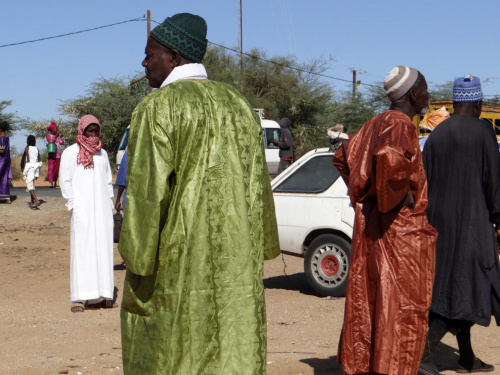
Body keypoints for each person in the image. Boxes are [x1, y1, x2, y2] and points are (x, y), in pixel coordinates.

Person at [118, 13, 280, 375]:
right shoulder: (239, 105)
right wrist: (265, 242)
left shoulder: (157, 107)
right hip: (235, 261)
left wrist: (138, 258)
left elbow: (146, 194)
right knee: (229, 343)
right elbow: (258, 185)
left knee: (176, 348)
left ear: (173, 57)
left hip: (177, 263)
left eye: (150, 55)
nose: (144, 63)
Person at [332, 65, 437, 375]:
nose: (429, 95)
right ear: (414, 94)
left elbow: (341, 157)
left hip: (372, 233)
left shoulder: (372, 124)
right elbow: (390, 157)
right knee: (400, 312)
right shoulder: (401, 125)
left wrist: (366, 197)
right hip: (400, 239)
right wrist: (395, 195)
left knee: (374, 307)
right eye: (426, 89)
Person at [419, 76, 499, 374]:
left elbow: (424, 182)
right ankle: (424, 355)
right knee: (472, 287)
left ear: (454, 103)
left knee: (453, 286)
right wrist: (499, 219)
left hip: (439, 227)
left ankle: (466, 357)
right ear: (478, 103)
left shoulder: (437, 135)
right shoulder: (483, 131)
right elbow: (493, 181)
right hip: (472, 226)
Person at [60, 115, 116, 313]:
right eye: (88, 131)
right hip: (82, 209)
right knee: (82, 250)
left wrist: (109, 204)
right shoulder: (70, 152)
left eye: (95, 131)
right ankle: (80, 297)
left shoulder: (102, 154)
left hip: (102, 209)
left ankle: (104, 295)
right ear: (81, 131)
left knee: (103, 249)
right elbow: (65, 180)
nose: (92, 135)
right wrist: (74, 204)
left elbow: (108, 181)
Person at [23, 135, 42, 209]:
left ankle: (36, 200)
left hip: (30, 167)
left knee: (29, 185)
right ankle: (32, 202)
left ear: (27, 141)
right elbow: (39, 159)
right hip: (36, 167)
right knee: (32, 185)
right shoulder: (37, 149)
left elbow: (28, 159)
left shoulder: (27, 148)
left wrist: (25, 169)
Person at [45, 121, 65, 188]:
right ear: (53, 130)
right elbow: (51, 142)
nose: (56, 130)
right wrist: (56, 136)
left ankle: (55, 183)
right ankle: (51, 182)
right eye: (55, 129)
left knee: (56, 170)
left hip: (58, 156)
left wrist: (63, 144)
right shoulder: (48, 136)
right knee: (51, 168)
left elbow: (61, 142)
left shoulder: (58, 137)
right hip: (52, 154)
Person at [0, 121, 11, 204]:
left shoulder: (2, 138)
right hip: (6, 160)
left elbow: (2, 150)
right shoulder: (6, 137)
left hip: (2, 161)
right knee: (4, 178)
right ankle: (6, 197)